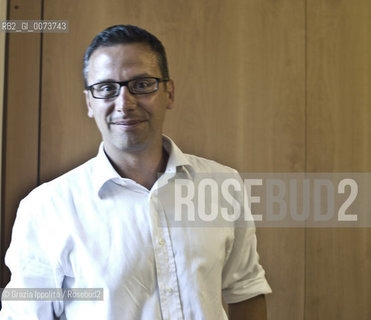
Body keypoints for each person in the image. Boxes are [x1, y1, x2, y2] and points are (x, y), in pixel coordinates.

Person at [0, 25, 271, 319]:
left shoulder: (222, 185)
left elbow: (246, 290)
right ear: (89, 103)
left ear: (169, 93)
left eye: (142, 85)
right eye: (106, 88)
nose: (124, 103)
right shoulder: (46, 207)